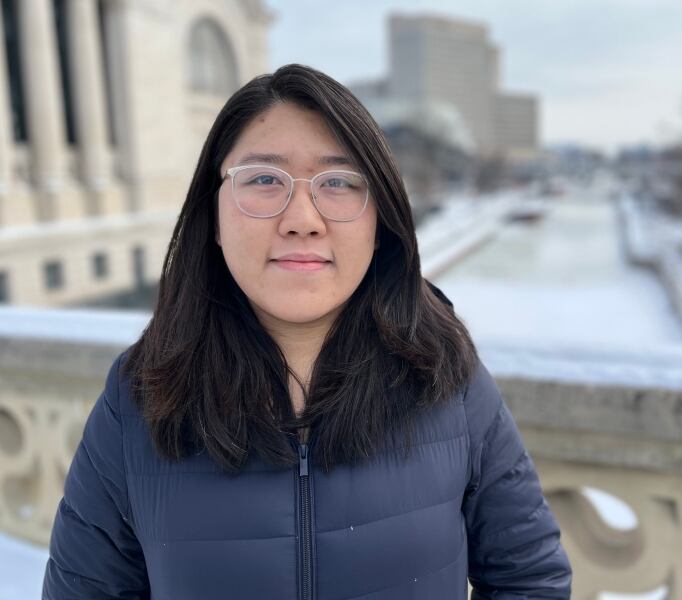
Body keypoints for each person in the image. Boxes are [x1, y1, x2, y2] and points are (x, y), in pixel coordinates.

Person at [42, 64, 571, 599]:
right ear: (215, 215)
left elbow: (528, 579)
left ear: (380, 218)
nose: (303, 218)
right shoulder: (139, 399)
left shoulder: (446, 376)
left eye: (338, 183)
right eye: (264, 179)